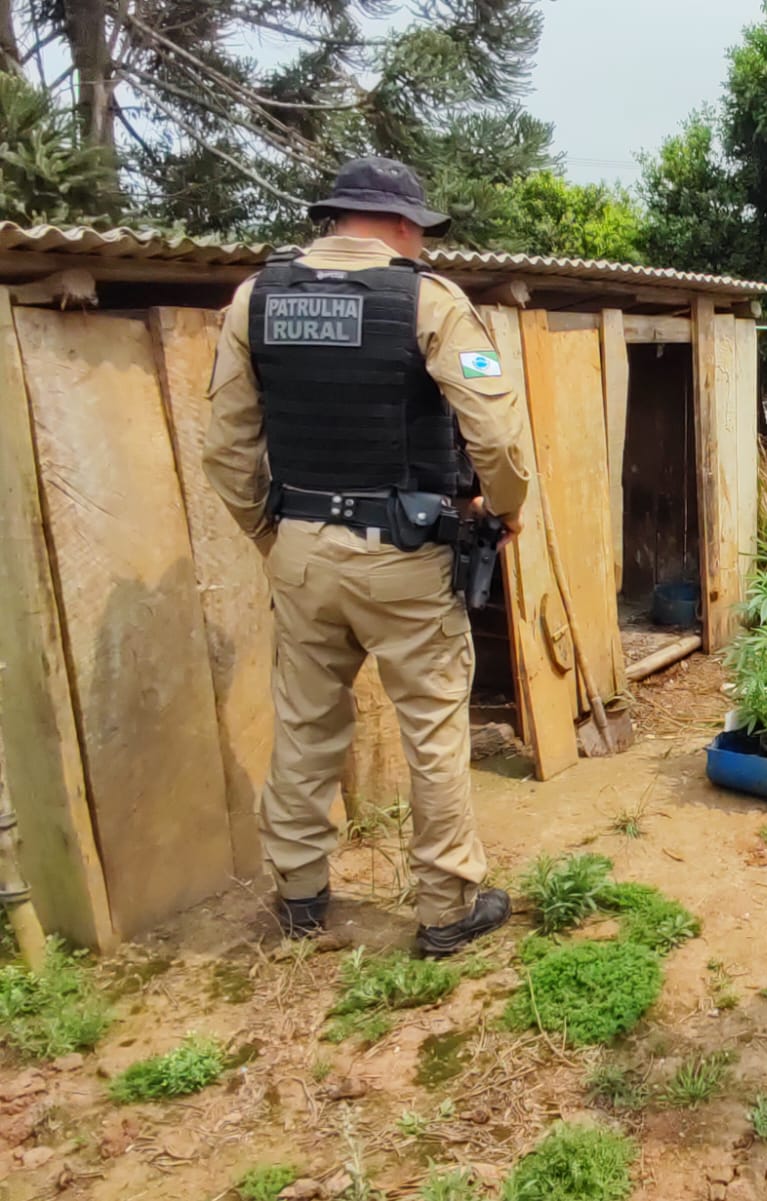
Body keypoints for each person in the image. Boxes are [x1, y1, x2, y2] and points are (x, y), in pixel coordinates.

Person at [203, 157, 531, 957]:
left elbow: (226, 448)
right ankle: (447, 906)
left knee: (307, 723)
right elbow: (496, 434)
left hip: (303, 551)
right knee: (433, 729)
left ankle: (300, 895)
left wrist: (273, 536)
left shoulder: (257, 298)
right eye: (419, 226)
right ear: (397, 226)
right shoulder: (427, 298)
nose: (421, 239)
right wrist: (505, 508)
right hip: (406, 553)